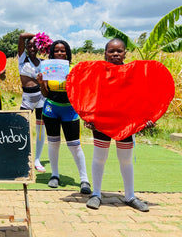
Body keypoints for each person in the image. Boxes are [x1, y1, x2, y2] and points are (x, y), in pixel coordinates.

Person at [85, 38, 153, 211]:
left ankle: (130, 196)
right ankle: (96, 194)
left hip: (125, 123)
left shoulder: (133, 73)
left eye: (119, 51)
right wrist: (88, 117)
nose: (115, 54)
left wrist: (147, 118)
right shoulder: (97, 72)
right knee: (99, 158)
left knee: (126, 160)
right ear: (105, 53)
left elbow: (142, 96)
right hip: (101, 121)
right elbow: (87, 95)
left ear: (125, 53)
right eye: (111, 51)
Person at [37, 40, 91, 194]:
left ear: (67, 52)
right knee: (53, 143)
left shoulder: (73, 69)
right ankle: (54, 175)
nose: (60, 53)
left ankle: (84, 180)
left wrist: (72, 81)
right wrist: (41, 82)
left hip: (70, 110)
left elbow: (80, 93)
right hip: (51, 108)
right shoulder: (47, 69)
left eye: (63, 51)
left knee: (75, 145)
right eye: (56, 51)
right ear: (52, 53)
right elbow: (45, 93)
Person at [18, 32, 46, 173]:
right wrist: (38, 36)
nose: (32, 48)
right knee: (22, 128)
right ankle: (23, 157)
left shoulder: (43, 63)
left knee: (41, 130)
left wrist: (43, 42)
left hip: (41, 98)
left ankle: (37, 160)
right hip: (27, 99)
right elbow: (22, 36)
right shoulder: (22, 59)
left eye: (35, 45)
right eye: (30, 46)